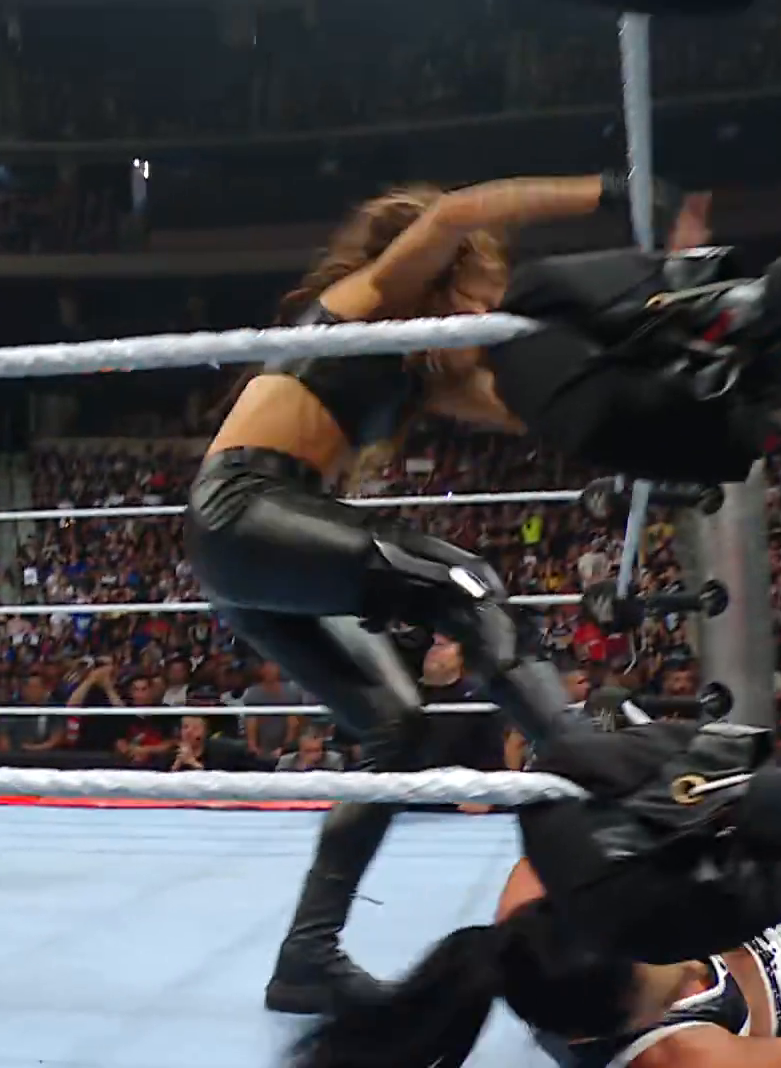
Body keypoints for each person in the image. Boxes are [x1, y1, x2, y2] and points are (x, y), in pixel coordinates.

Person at [190, 173, 711, 1013]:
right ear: (443, 278)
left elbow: (541, 411)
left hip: (259, 545)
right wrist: (616, 191)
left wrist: (654, 364)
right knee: (466, 582)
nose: (487, 309)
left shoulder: (423, 376)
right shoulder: (367, 300)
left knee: (394, 727)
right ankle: (589, 764)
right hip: (246, 510)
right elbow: (457, 212)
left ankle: (306, 957)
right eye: (479, 290)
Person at [292, 757, 781, 1068]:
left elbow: (628, 804)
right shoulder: (680, 1057)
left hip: (754, 928)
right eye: (672, 967)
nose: (690, 966)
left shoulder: (549, 905)